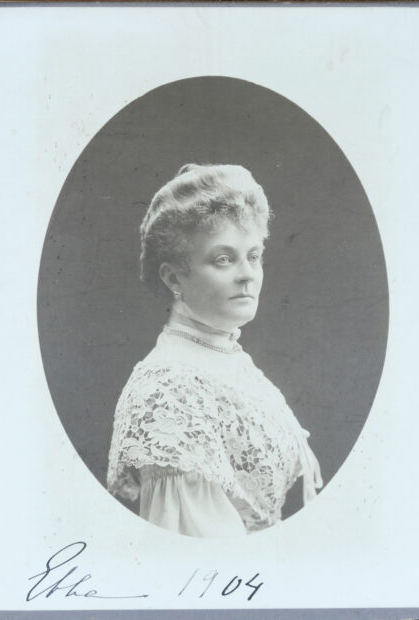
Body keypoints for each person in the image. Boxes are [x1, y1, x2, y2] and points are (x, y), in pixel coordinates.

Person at [107, 163, 323, 537]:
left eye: (253, 256)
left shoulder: (225, 358)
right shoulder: (170, 386)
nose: (247, 274)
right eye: (224, 259)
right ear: (173, 277)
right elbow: (201, 551)